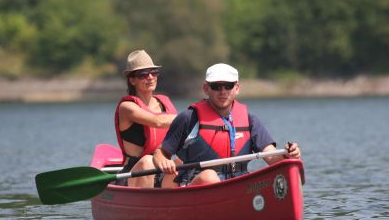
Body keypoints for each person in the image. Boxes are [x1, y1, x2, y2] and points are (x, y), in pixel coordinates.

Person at [153, 63, 301, 187]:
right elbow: (160, 154)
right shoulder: (188, 118)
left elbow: (272, 157)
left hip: (237, 185)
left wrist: (289, 155)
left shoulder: (250, 120)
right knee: (209, 177)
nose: (223, 91)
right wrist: (164, 162)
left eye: (228, 86)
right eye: (216, 86)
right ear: (206, 88)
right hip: (197, 186)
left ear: (237, 88)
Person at [115, 50, 177, 187]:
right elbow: (157, 122)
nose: (150, 77)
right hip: (133, 174)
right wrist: (192, 117)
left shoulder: (164, 102)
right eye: (143, 74)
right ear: (132, 80)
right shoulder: (126, 107)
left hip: (162, 169)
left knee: (182, 161)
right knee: (147, 161)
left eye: (154, 72)